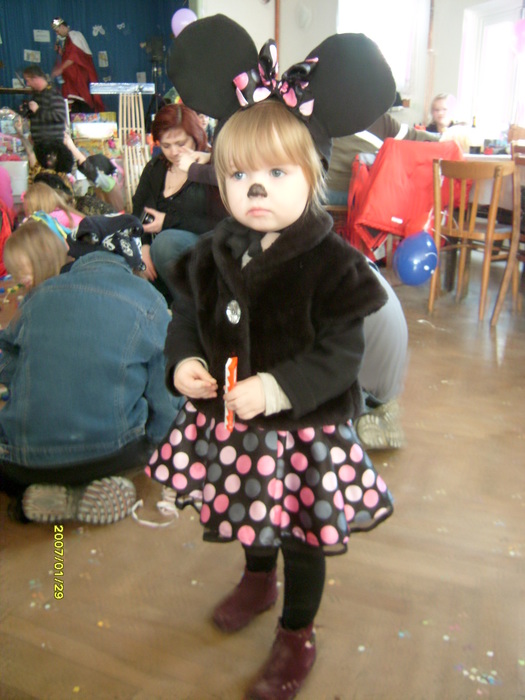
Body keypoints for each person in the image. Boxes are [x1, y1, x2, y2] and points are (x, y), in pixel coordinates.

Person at [147, 15, 396, 700]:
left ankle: (296, 631)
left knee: (301, 536)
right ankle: (257, 581)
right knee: (250, 510)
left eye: (276, 173)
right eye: (238, 175)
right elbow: (187, 318)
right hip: (236, 427)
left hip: (303, 431)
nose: (254, 189)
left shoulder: (333, 264)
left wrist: (278, 388)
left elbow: (340, 354)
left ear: (313, 175)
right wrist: (183, 362)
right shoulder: (213, 250)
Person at [0, 214, 179, 524]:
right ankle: (85, 489)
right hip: (112, 454)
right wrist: (160, 446)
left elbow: (7, 368)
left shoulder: (38, 296)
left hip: (26, 460)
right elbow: (165, 392)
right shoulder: (149, 300)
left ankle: (42, 490)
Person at [132, 102, 226, 299]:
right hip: (161, 261)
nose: (174, 152)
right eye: (166, 146)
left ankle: (192, 308)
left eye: (181, 144)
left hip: (206, 257)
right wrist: (143, 246)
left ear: (196, 137)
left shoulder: (210, 169)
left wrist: (168, 221)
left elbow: (221, 226)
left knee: (166, 244)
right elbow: (139, 210)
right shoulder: (155, 168)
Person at [325, 111, 440, 205]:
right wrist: (443, 139)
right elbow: (413, 136)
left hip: (320, 192)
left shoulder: (322, 112)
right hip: (354, 196)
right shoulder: (377, 119)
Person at [51, 17, 105, 113]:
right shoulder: (68, 39)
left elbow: (74, 56)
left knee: (83, 103)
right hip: (72, 81)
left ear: (62, 27)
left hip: (79, 79)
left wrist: (60, 69)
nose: (57, 34)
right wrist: (61, 52)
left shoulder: (75, 36)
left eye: (57, 31)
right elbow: (70, 56)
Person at [21, 65, 67, 145]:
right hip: (39, 143)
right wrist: (28, 111)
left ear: (35, 78)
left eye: (28, 80)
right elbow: (39, 116)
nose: (27, 84)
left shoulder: (53, 94)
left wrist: (37, 110)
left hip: (52, 144)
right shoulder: (36, 95)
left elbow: (59, 116)